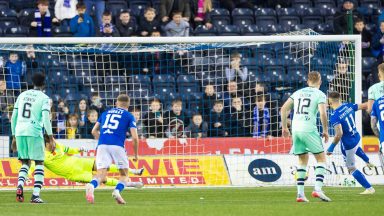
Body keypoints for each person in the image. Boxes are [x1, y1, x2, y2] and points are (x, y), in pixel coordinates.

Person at [280, 71, 331, 202]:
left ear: (308, 81)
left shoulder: (298, 93)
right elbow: (323, 114)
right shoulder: (320, 94)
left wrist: (285, 127)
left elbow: (284, 109)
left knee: (302, 161)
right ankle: (318, 189)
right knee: (321, 159)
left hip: (296, 129)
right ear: (320, 82)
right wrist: (325, 130)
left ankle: (300, 194)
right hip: (309, 129)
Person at [30, 134, 144, 187]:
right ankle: (130, 184)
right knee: (101, 179)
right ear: (46, 144)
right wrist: (28, 174)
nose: (54, 142)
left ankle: (134, 171)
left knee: (105, 167)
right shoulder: (41, 156)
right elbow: (33, 167)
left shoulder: (57, 146)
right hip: (74, 173)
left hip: (79, 162)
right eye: (52, 142)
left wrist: (79, 150)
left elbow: (69, 149)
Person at [86, 94, 139, 204]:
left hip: (102, 144)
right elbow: (135, 137)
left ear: (116, 103)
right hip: (117, 145)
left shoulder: (105, 113)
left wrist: (104, 139)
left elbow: (93, 131)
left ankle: (91, 185)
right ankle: (116, 191)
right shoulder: (129, 116)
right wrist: (136, 155)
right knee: (124, 174)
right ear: (128, 105)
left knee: (101, 174)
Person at [11, 72, 54, 203]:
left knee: (25, 162)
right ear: (44, 84)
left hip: (19, 130)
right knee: (39, 162)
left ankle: (19, 186)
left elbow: (13, 117)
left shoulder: (22, 95)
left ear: (32, 82)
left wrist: (13, 136)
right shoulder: (45, 98)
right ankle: (35, 195)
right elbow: (46, 118)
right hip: (34, 131)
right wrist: (50, 137)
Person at [327, 91, 375, 194]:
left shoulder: (334, 116)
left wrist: (331, 147)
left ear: (330, 101)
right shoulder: (348, 106)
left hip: (348, 145)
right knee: (356, 148)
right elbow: (365, 105)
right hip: (356, 137)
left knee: (351, 168)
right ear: (340, 99)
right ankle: (367, 161)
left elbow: (339, 134)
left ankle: (369, 188)